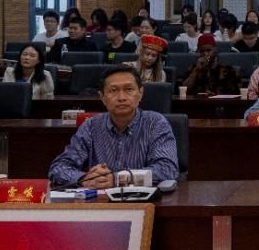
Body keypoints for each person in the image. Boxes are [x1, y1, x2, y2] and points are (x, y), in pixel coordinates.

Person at [48, 67, 179, 188]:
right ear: (102, 98)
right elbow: (58, 167)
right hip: (100, 201)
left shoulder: (155, 123)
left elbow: (167, 169)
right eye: (113, 90)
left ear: (140, 93)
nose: (121, 97)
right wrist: (84, 178)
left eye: (129, 89)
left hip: (142, 200)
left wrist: (118, 179)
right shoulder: (91, 126)